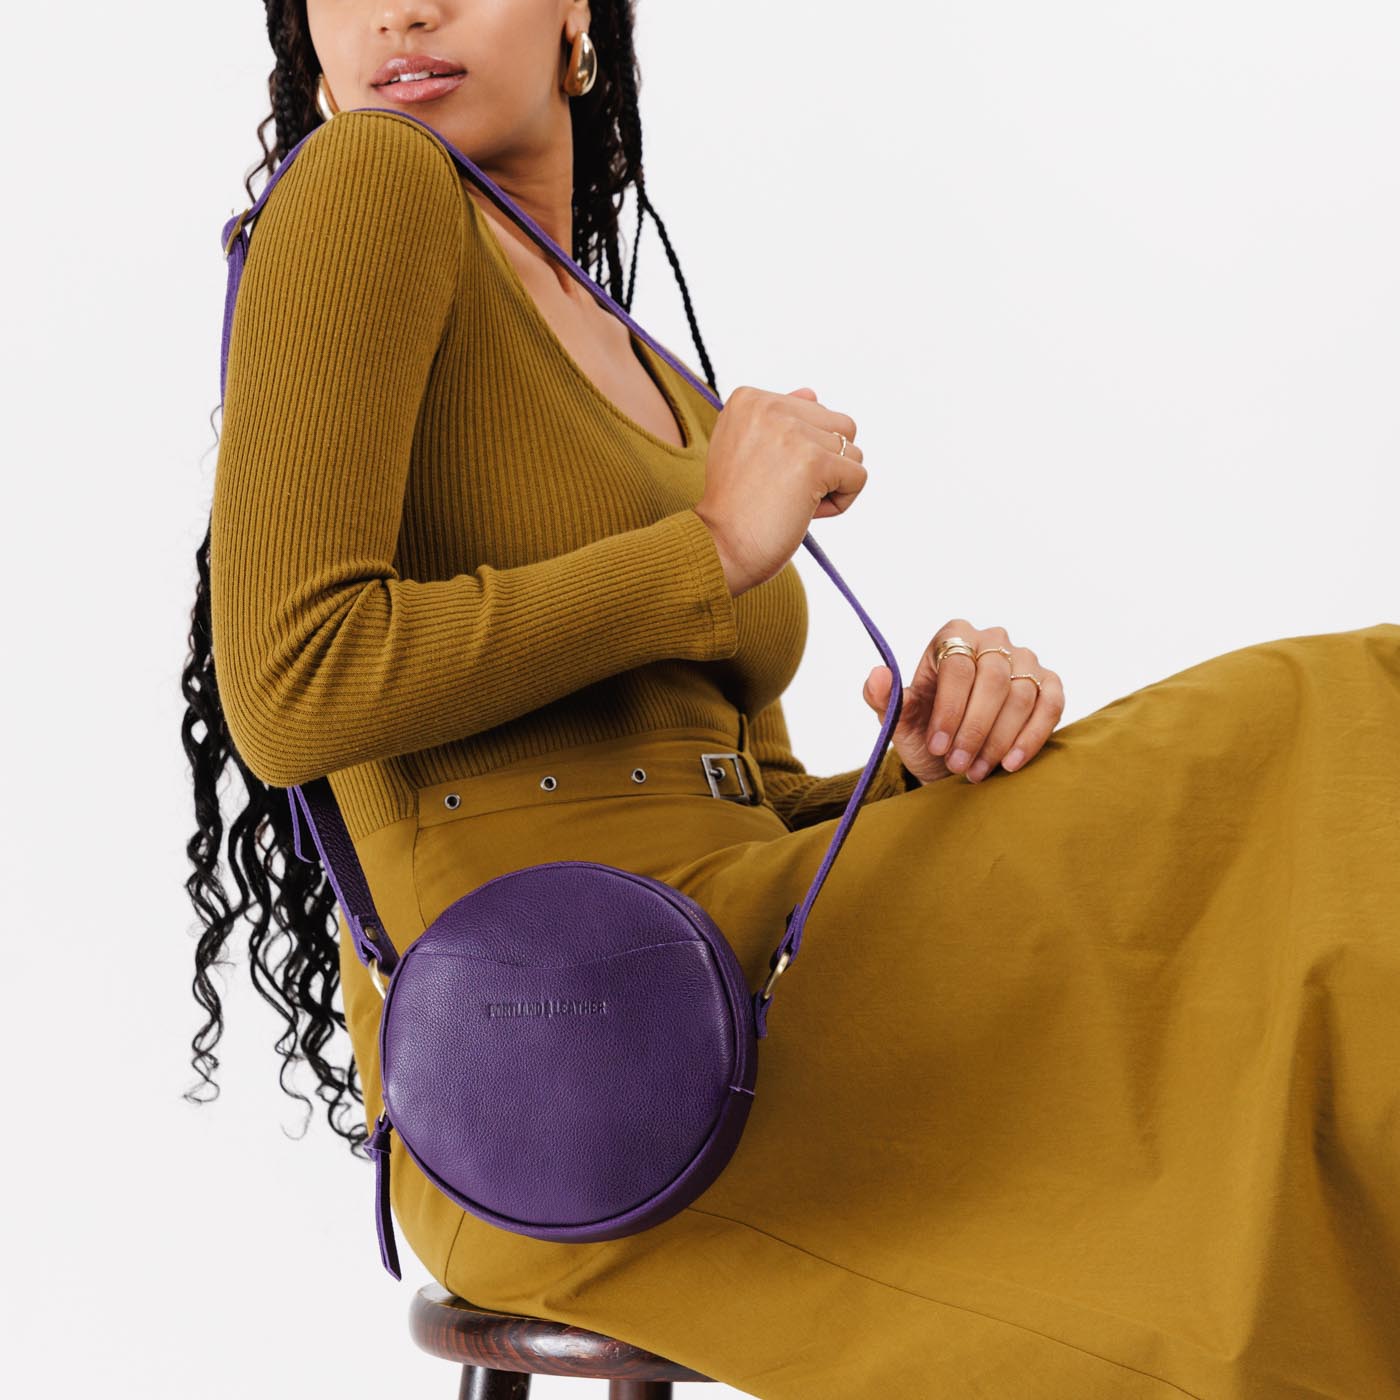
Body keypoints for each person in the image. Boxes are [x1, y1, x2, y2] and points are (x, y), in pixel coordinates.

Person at [183, 3, 1400, 1396]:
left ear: (578, 12)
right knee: (1331, 722)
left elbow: (742, 809)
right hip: (577, 1056)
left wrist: (916, 772)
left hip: (745, 972)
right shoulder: (364, 183)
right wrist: (707, 552)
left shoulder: (658, 370)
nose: (401, 8)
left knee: (1316, 788)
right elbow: (290, 684)